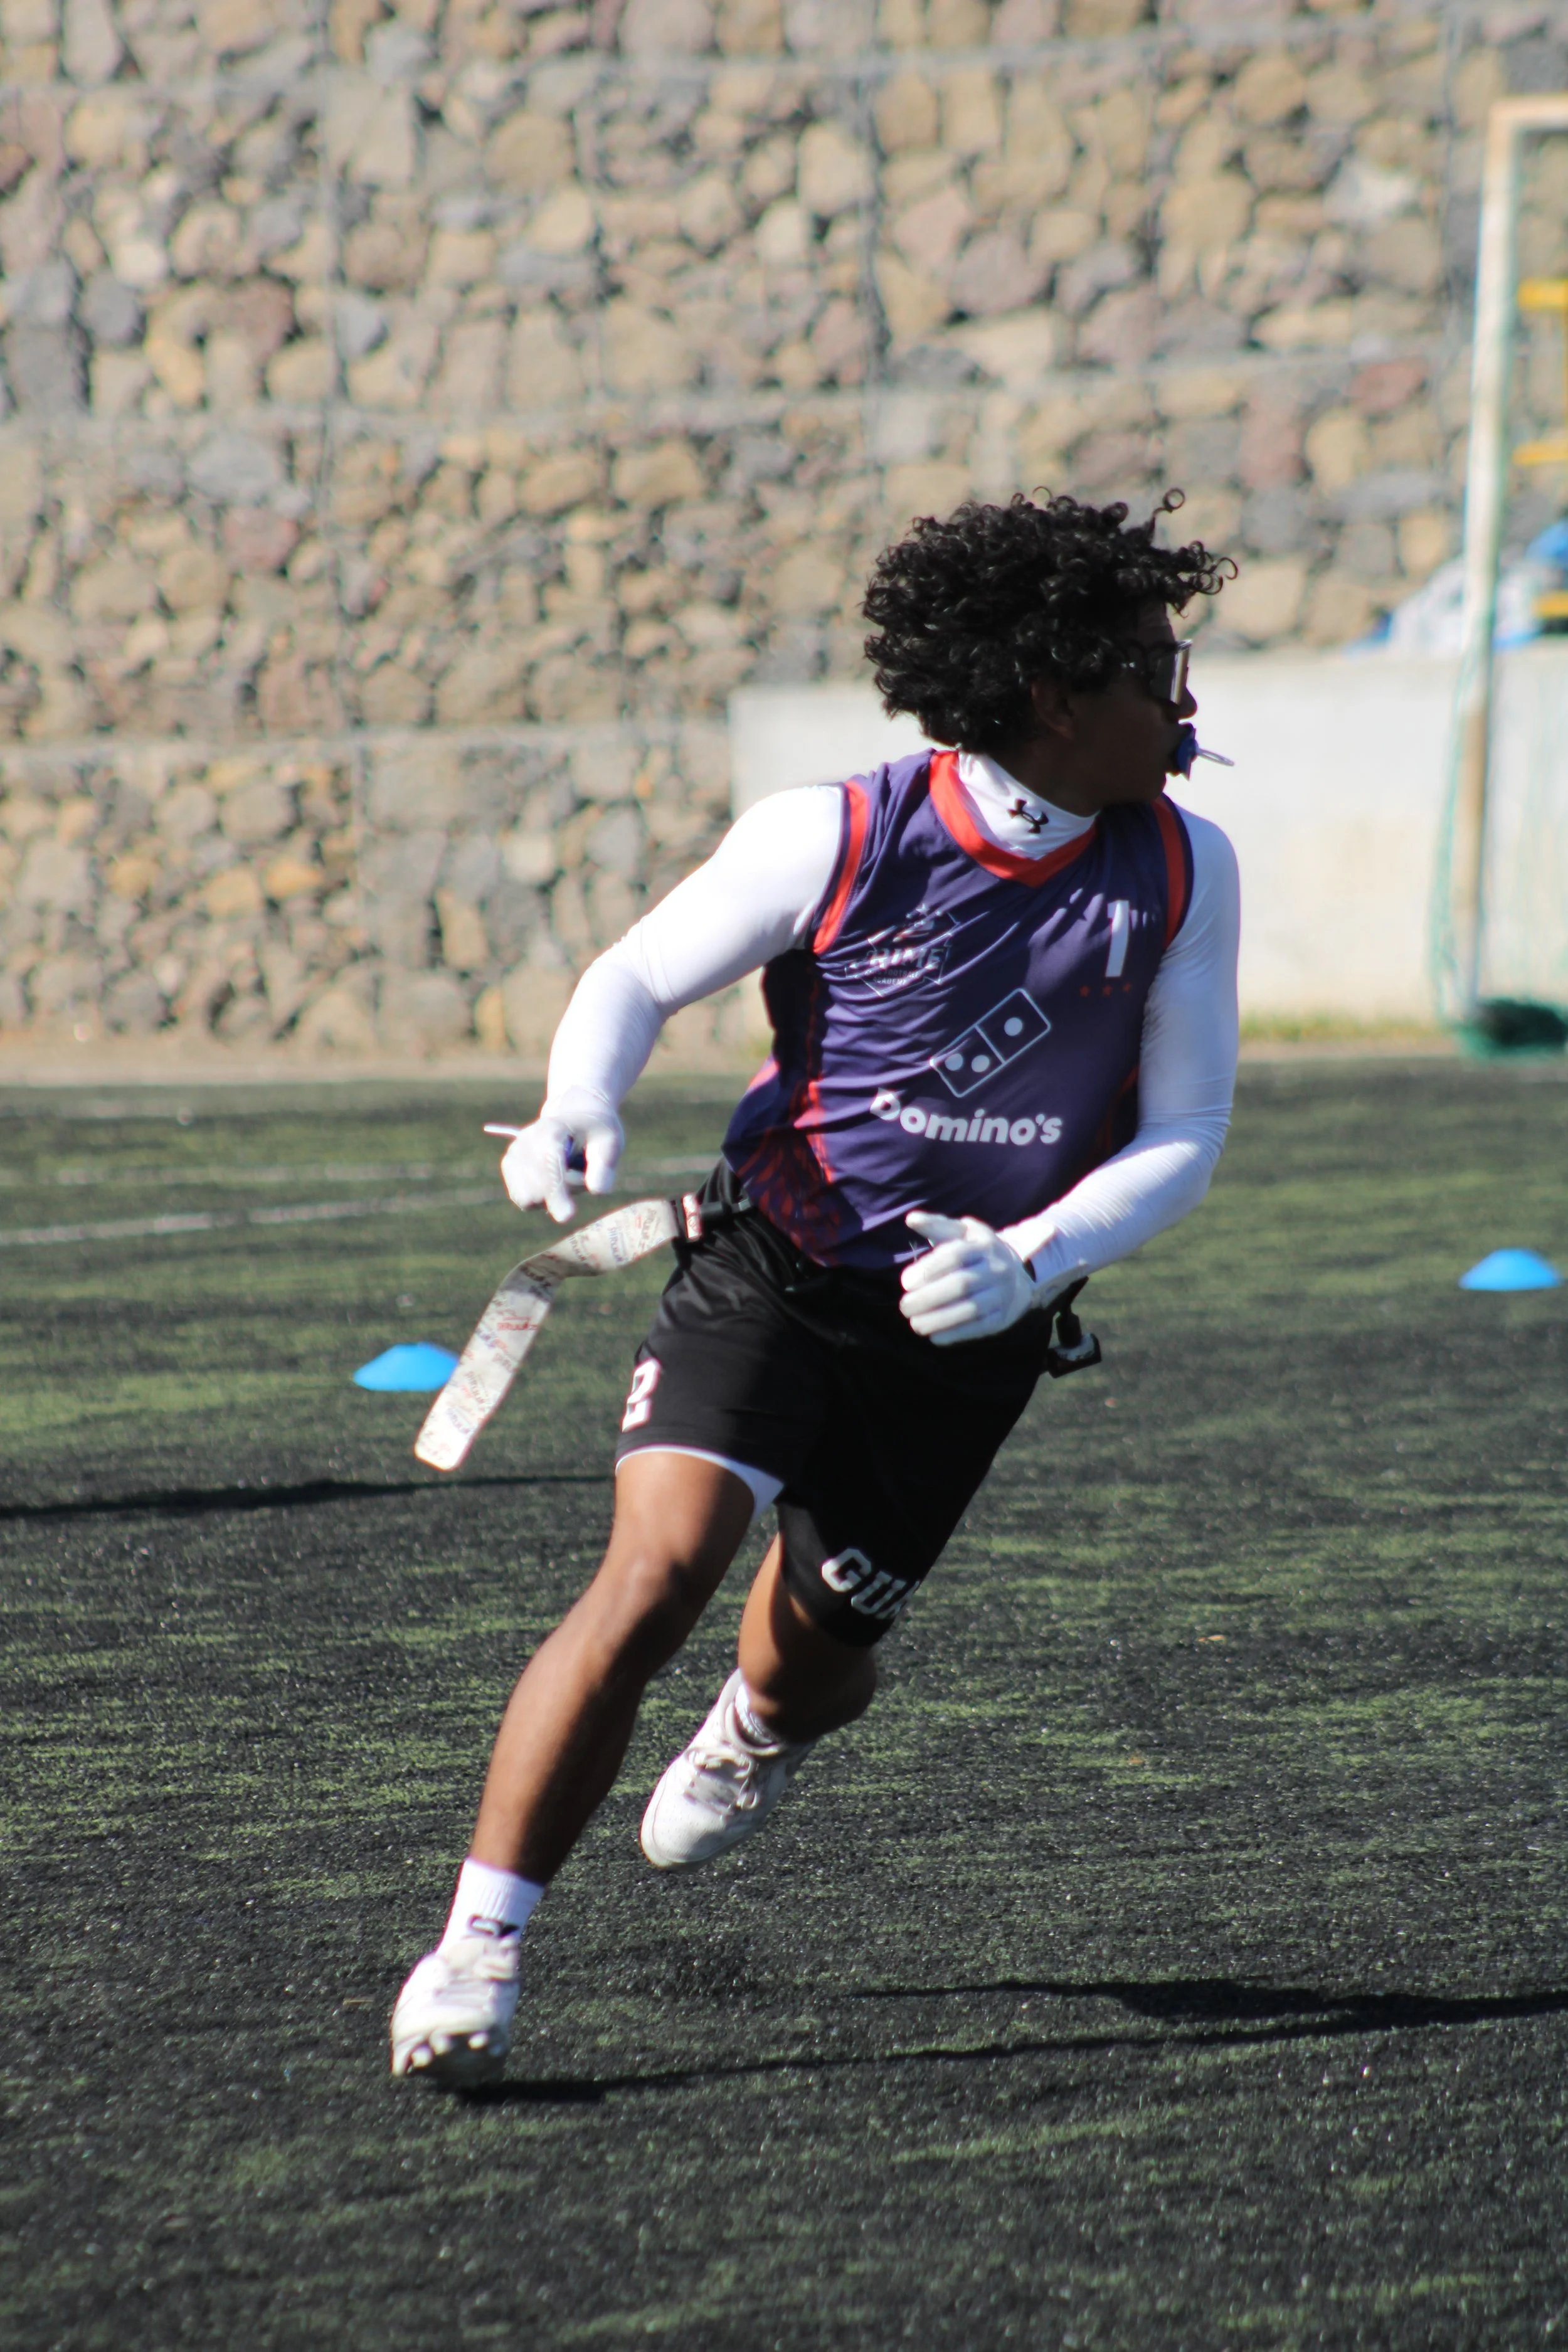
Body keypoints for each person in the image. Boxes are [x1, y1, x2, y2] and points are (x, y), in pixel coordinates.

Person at [389, 490, 1241, 2086]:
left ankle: (757, 1729)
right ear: (1050, 693)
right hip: (774, 1270)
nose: (1179, 698)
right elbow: (636, 973)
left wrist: (1031, 1262)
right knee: (654, 1575)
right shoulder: (840, 830)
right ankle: (477, 1950)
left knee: (808, 1661)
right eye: (1146, 665)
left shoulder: (1182, 868)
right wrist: (583, 1099)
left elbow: (1186, 1132)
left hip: (968, 1324)